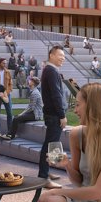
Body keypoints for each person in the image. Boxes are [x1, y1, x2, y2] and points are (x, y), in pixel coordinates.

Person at [39, 46, 68, 188]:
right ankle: (43, 177)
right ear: (51, 55)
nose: (63, 58)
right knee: (50, 145)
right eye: (60, 55)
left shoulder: (50, 70)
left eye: (64, 56)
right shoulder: (51, 71)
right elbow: (56, 95)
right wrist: (62, 115)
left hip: (51, 114)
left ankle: (45, 172)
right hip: (54, 115)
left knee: (49, 144)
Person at [0, 57, 14, 137]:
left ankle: (10, 131)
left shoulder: (7, 72)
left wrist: (7, 92)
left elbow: (10, 84)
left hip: (6, 94)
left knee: (9, 113)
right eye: (3, 63)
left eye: (5, 63)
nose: (5, 64)